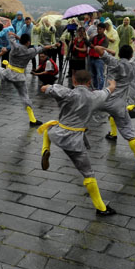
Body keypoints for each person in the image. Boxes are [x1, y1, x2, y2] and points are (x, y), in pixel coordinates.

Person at [37, 71, 117, 215]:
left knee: (49, 128)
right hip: (75, 140)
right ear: (89, 82)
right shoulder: (95, 96)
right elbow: (109, 91)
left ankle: (45, 149)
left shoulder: (66, 92)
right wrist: (112, 84)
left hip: (58, 132)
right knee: (88, 173)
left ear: (73, 81)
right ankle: (101, 208)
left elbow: (43, 88)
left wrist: (54, 86)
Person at [96, 38, 135, 170]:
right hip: (119, 104)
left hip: (103, 98)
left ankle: (75, 129)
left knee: (85, 108)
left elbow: (98, 48)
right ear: (131, 55)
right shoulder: (134, 65)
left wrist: (109, 50)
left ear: (119, 54)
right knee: (129, 132)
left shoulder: (113, 62)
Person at [0, 32, 56, 126]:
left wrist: (15, 35)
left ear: (20, 40)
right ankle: (32, 120)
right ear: (28, 42)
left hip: (8, 74)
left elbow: (10, 36)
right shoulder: (30, 51)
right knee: (25, 97)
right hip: (19, 78)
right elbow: (43, 48)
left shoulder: (15, 46)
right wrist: (54, 45)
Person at [87, 22, 109, 89]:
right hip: (91, 57)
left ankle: (100, 89)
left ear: (104, 29)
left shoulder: (106, 39)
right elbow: (88, 43)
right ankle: (95, 88)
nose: (98, 30)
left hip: (99, 59)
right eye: (98, 29)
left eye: (100, 29)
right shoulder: (94, 37)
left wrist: (93, 46)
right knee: (93, 74)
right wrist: (93, 46)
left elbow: (102, 49)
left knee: (100, 75)